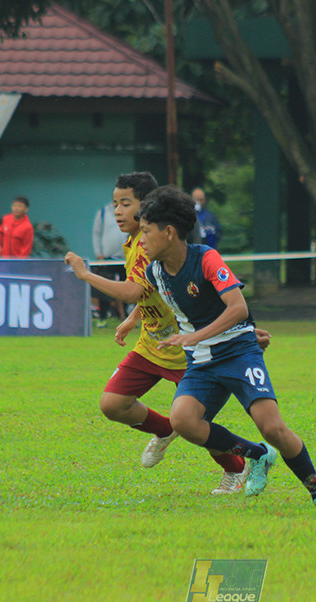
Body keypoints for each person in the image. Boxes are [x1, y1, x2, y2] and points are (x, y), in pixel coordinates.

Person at [138, 184, 316, 506]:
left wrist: (202, 335)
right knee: (183, 421)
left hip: (238, 354)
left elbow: (237, 308)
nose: (142, 239)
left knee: (272, 426)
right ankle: (258, 455)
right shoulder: (155, 272)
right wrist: (126, 318)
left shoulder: (206, 258)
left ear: (169, 232)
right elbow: (149, 300)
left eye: (146, 231)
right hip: (202, 362)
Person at [65, 173, 250, 495]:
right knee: (112, 404)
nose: (119, 211)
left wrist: (86, 275)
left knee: (195, 424)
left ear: (147, 207)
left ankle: (238, 468)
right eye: (115, 205)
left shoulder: (151, 242)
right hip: (152, 342)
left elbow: (134, 289)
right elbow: (153, 289)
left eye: (126, 203)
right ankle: (165, 430)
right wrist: (135, 318)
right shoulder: (134, 241)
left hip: (185, 348)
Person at [91, 201, 127, 321]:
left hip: (125, 258)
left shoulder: (129, 211)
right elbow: (96, 233)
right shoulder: (103, 212)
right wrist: (98, 253)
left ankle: (124, 315)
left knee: (127, 286)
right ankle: (103, 317)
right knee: (104, 287)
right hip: (107, 258)